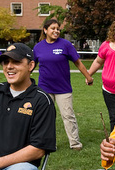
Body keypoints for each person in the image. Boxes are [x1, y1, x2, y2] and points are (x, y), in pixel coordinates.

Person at [33, 19, 93, 151]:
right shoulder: (38, 47)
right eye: (53, 28)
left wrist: (88, 76)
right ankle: (49, 144)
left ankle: (75, 143)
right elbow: (32, 65)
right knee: (47, 117)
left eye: (58, 29)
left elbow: (78, 62)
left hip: (63, 88)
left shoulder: (65, 45)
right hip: (45, 88)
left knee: (68, 115)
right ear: (45, 30)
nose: (56, 31)